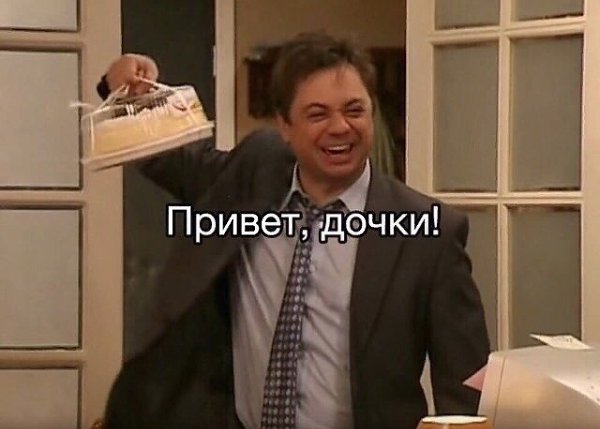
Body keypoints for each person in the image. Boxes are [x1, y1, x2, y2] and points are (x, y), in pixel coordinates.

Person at [98, 32, 490, 429]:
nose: (340, 127)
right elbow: (171, 157)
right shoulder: (251, 175)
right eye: (318, 114)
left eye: (354, 110)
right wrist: (125, 89)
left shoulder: (429, 232)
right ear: (284, 126)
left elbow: (467, 385)